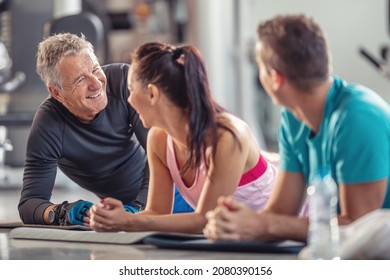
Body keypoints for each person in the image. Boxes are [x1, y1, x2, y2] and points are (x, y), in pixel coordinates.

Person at [203, 14, 390, 243]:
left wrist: (265, 224)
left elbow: (358, 228)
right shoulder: (294, 118)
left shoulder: (359, 118)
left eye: (260, 68)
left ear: (275, 78)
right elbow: (280, 214)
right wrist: (238, 223)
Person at [88, 41, 295, 233]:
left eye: (131, 90)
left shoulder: (227, 136)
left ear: (152, 94)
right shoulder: (158, 139)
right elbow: (157, 213)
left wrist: (129, 222)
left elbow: (206, 219)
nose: (130, 100)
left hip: (288, 226)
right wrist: (119, 218)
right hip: (240, 238)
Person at [18, 33, 189, 226]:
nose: (96, 83)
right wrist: (62, 212)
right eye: (80, 80)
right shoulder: (49, 124)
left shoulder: (124, 81)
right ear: (57, 92)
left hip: (182, 187)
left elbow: (163, 153)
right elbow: (30, 203)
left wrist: (138, 209)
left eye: (95, 69)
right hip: (126, 208)